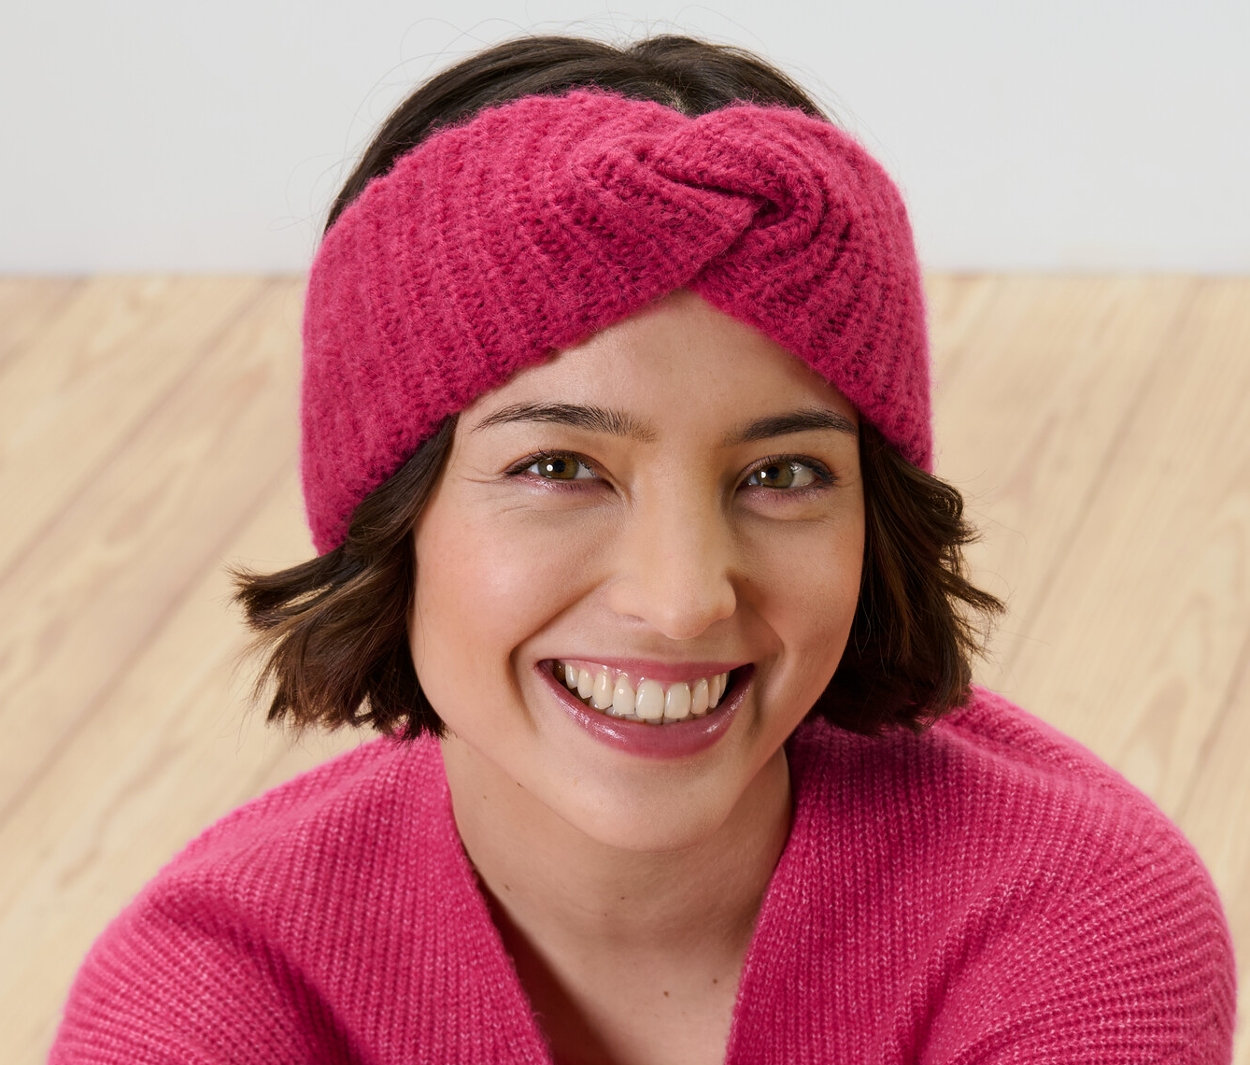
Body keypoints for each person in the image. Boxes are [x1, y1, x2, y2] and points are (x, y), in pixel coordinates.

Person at [49, 34, 1235, 1065]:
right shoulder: (203, 993)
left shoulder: (1076, 921)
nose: (680, 600)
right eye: (557, 468)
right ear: (390, 511)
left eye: (781, 475)